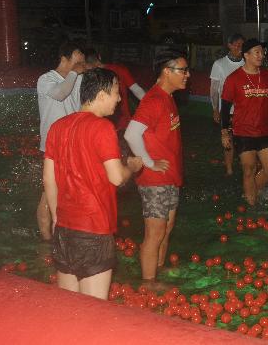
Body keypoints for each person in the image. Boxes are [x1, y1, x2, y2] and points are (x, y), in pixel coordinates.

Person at [43, 68, 143, 299]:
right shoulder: (103, 128)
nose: (119, 99)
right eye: (117, 93)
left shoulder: (57, 127)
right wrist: (133, 167)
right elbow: (116, 177)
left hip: (65, 228)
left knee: (70, 306)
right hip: (94, 227)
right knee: (94, 311)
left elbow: (49, 178)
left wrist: (57, 218)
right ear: (101, 95)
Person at [123, 50, 187, 282]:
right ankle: (149, 284)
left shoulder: (166, 97)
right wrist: (149, 163)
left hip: (170, 177)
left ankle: (157, 272)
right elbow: (132, 134)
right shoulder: (154, 100)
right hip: (155, 180)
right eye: (183, 70)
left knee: (166, 229)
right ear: (166, 72)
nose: (187, 75)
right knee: (155, 233)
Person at [220, 38, 268, 206]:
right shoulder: (233, 79)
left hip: (265, 130)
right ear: (246, 55)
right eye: (257, 52)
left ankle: (251, 192)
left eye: (262, 52)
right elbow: (225, 106)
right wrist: (224, 132)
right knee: (248, 170)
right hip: (243, 132)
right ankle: (251, 205)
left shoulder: (266, 75)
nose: (261, 55)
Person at [36, 41, 85, 241]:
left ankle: (65, 235)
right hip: (53, 147)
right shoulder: (46, 79)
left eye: (82, 59)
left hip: (74, 145)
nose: (81, 62)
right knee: (49, 195)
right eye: (77, 58)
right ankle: (46, 240)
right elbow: (60, 93)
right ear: (64, 58)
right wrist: (75, 73)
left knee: (70, 194)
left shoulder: (78, 79)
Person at [82, 48, 146, 133]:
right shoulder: (120, 69)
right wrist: (151, 103)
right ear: (99, 57)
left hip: (102, 124)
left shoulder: (87, 77)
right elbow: (137, 90)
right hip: (121, 123)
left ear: (85, 64)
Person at [209, 33, 245, 175]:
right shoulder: (219, 64)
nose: (240, 48)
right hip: (226, 110)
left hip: (244, 111)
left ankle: (245, 168)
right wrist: (215, 109)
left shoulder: (247, 63)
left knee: (245, 140)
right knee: (228, 142)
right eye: (237, 44)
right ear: (229, 45)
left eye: (242, 45)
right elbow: (214, 90)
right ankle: (229, 169)